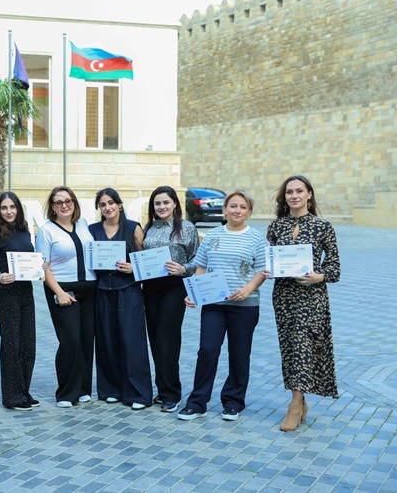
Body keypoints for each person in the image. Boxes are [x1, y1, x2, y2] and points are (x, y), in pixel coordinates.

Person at [178, 190, 267, 422]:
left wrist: (247, 290)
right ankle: (197, 403)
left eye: (243, 207)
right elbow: (201, 267)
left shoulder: (256, 238)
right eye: (233, 206)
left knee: (239, 354)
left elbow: (262, 271)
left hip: (245, 306)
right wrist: (193, 293)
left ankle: (233, 402)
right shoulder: (212, 236)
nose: (237, 210)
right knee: (207, 350)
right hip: (214, 305)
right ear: (225, 209)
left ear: (249, 212)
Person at [266, 175, 340, 432]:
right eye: (289, 192)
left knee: (303, 345)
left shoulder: (323, 226)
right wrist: (270, 269)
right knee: (290, 348)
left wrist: (319, 276)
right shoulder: (276, 227)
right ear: (284, 197)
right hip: (284, 296)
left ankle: (295, 406)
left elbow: (334, 267)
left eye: (299, 191)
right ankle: (301, 398)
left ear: (309, 194)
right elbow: (271, 260)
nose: (294, 195)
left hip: (312, 297)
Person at [88, 188, 152, 408]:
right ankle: (111, 389)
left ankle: (138, 394)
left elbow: (147, 262)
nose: (108, 208)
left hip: (129, 291)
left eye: (111, 203)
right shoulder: (93, 230)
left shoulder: (133, 228)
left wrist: (133, 268)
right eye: (103, 204)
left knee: (132, 342)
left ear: (119, 204)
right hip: (102, 291)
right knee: (107, 341)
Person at [36, 186, 97, 408]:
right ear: (52, 207)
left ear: (74, 203)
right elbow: (42, 267)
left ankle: (83, 389)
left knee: (86, 339)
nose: (64, 205)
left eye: (68, 201)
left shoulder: (83, 224)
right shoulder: (46, 231)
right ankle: (66, 393)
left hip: (90, 290)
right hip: (63, 291)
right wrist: (59, 292)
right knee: (70, 339)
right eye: (58, 202)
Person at [142, 186, 200, 413]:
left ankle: (172, 393)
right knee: (155, 339)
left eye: (166, 202)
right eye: (157, 203)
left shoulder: (187, 228)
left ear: (175, 203)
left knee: (168, 338)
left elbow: (198, 259)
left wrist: (184, 268)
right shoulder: (148, 228)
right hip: (150, 288)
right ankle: (162, 387)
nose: (162, 207)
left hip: (174, 287)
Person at [0, 192, 37, 411]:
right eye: (4, 208)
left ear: (18, 209)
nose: (9, 211)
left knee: (28, 345)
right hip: (7, 294)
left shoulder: (25, 232)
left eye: (12, 207)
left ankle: (24, 391)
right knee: (11, 346)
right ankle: (12, 396)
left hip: (27, 292)